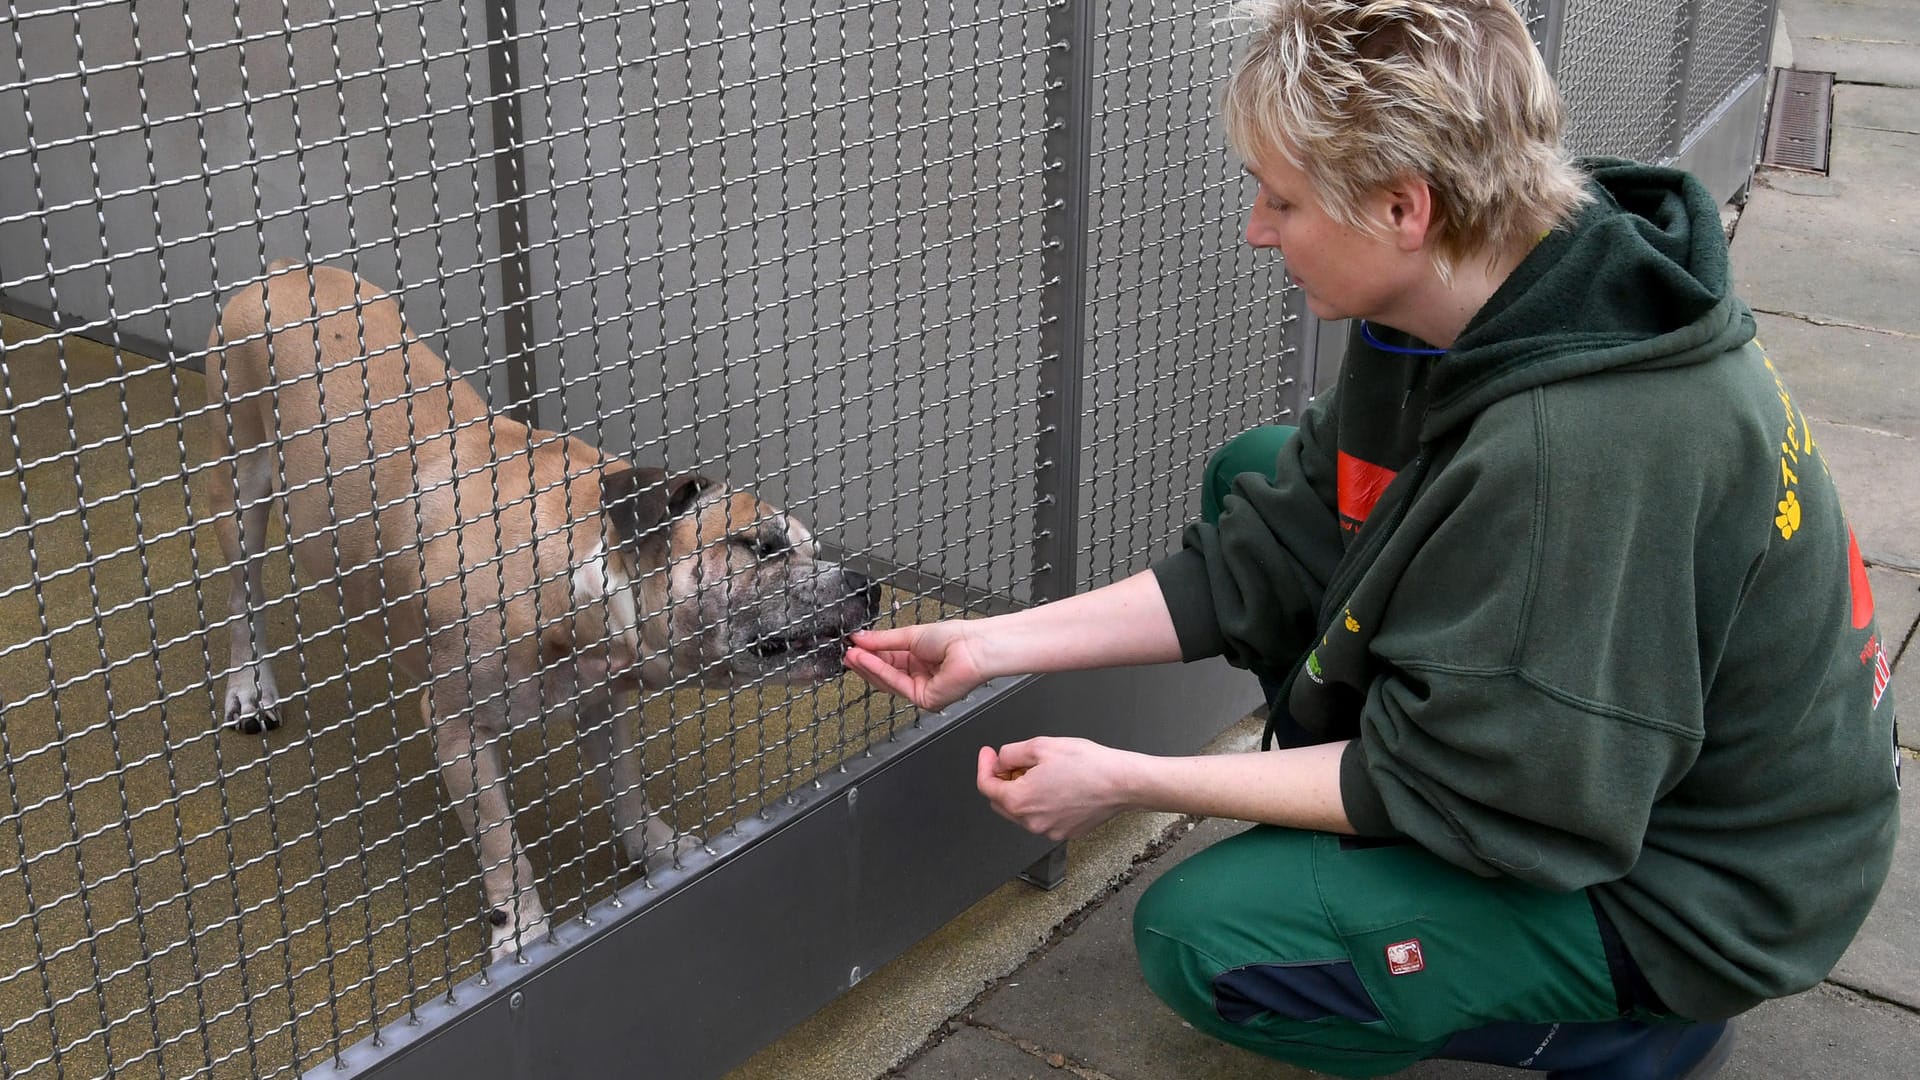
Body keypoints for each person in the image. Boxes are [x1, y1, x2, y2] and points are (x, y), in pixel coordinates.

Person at [843, 1, 1901, 1077]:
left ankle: (1629, 1030)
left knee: (1212, 941)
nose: (1258, 228)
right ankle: (1398, 852)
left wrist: (1125, 776)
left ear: (1404, 207)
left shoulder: (1572, 452)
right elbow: (1271, 549)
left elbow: (1466, 790)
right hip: (1607, 747)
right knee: (1258, 469)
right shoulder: (1490, 287)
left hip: (1706, 883)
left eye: (1283, 199)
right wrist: (999, 644)